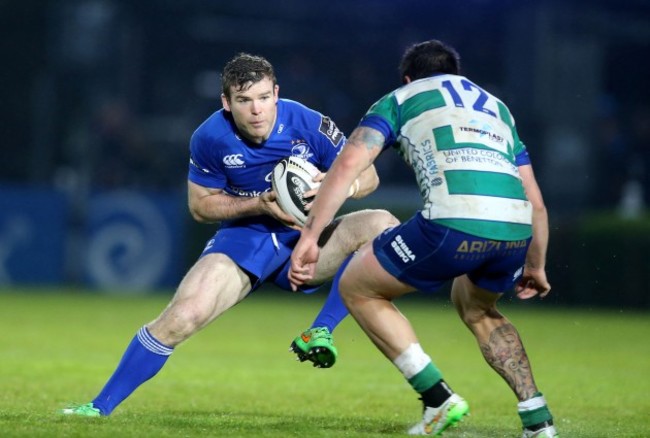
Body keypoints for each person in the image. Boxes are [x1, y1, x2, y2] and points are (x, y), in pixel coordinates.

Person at [61, 52, 398, 417]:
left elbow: (370, 176)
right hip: (245, 239)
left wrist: (339, 186)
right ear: (227, 102)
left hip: (308, 241)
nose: (257, 110)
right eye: (245, 100)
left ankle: (320, 330)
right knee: (182, 316)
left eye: (264, 97)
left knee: (381, 223)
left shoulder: (309, 123)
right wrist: (259, 204)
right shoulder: (210, 137)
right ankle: (98, 408)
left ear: (276, 93)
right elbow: (200, 206)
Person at [289, 40, 558, 437]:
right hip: (515, 229)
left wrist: (311, 235)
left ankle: (438, 399)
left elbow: (348, 164)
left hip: (453, 220)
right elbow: (536, 203)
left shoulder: (399, 98)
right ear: (456, 73)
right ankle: (538, 420)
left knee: (357, 288)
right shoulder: (498, 109)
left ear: (409, 77)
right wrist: (535, 264)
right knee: (478, 309)